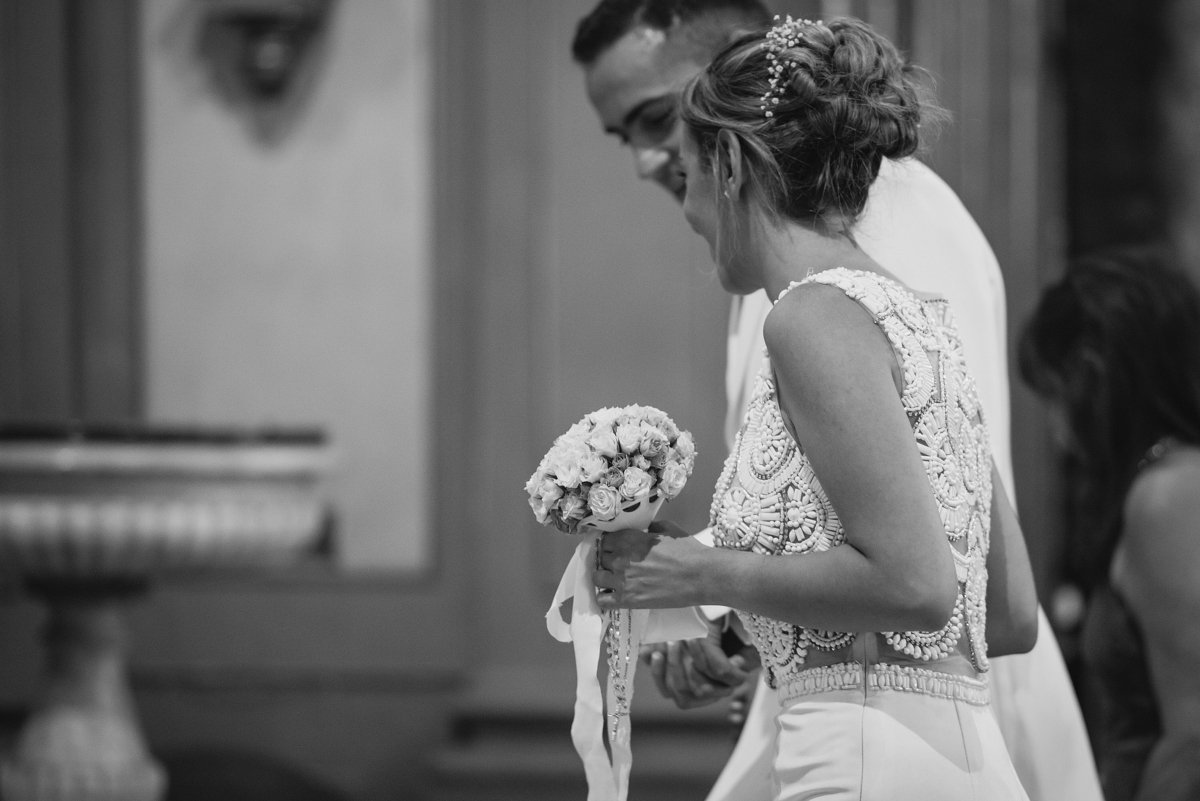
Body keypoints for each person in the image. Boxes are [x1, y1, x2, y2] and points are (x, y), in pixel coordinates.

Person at [573, 3, 1104, 800]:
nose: (684, 208)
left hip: (863, 762)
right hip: (947, 754)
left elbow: (918, 584)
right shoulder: (914, 315)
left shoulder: (813, 314)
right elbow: (1005, 611)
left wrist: (698, 572)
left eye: (685, 165)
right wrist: (741, 610)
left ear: (730, 166)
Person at [1019, 249, 1200, 801]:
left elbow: (1191, 739)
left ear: (1093, 374)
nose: (1057, 431)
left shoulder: (1167, 498)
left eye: (1054, 395)